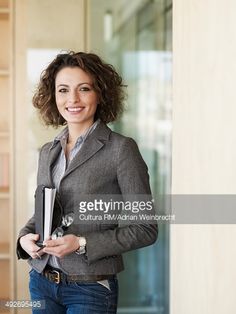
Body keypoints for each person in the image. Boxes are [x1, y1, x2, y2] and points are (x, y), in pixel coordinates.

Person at [16, 51, 158, 314]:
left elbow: (145, 229)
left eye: (84, 89)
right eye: (63, 90)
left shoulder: (121, 149)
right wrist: (24, 238)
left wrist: (81, 243)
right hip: (42, 281)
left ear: (100, 93)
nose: (73, 99)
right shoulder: (48, 151)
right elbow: (44, 212)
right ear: (53, 96)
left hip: (90, 289)